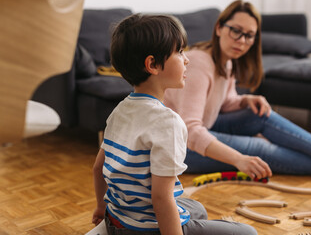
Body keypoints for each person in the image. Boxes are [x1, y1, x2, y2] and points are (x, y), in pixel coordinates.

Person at [92, 13, 257, 235]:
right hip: (144, 229)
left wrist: (101, 208)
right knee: (248, 233)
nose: (187, 59)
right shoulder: (168, 123)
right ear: (153, 65)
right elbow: (161, 198)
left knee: (196, 209)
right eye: (179, 53)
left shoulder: (119, 110)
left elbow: (98, 168)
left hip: (117, 221)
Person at [164, 0, 311, 179]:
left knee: (258, 113)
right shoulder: (199, 63)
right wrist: (238, 159)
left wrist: (245, 100)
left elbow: (222, 104)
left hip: (201, 131)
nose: (241, 40)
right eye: (236, 30)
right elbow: (189, 130)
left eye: (249, 35)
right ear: (218, 28)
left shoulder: (226, 63)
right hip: (179, 148)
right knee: (258, 148)